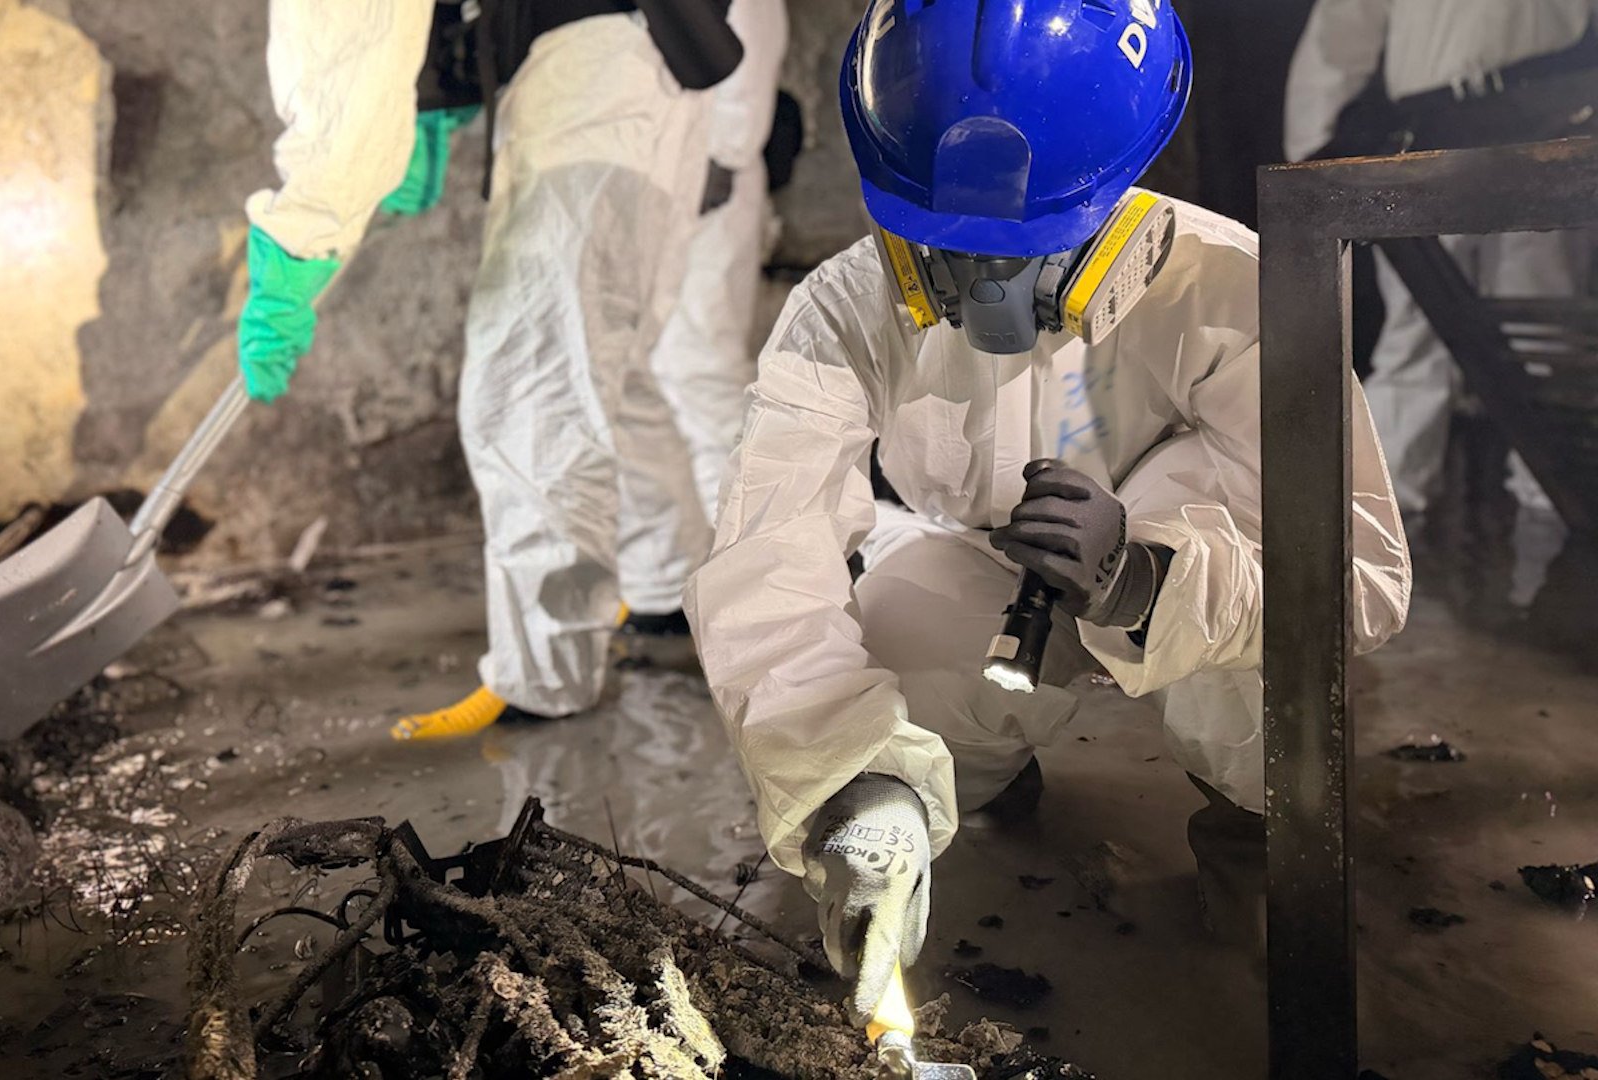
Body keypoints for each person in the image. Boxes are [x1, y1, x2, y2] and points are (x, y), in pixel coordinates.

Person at [685, 0, 1414, 1022]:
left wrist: (1144, 580)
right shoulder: (844, 310)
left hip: (1185, 577)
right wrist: (851, 786)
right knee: (888, 642)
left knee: (1269, 647)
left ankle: (1254, 826)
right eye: (945, 239)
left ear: (1123, 188)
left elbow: (1365, 584)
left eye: (1030, 245)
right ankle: (968, 774)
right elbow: (771, 552)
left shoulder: (1238, 286)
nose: (987, 288)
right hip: (982, 569)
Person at [234, 1, 741, 741]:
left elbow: (345, 34)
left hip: (590, 83)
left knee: (531, 393)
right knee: (607, 369)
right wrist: (439, 90)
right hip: (646, 67)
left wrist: (308, 225)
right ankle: (664, 594)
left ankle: (543, 681)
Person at [1285, 0, 1597, 521]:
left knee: (1543, 325)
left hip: (1554, 122)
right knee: (1416, 331)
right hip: (1434, 134)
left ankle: (1560, 512)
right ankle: (1376, 516)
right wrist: (1315, 164)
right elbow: (1340, 31)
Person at [648, 0, 789, 520]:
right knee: (658, 373)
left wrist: (726, 150)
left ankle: (736, 542)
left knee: (699, 366)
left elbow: (752, 29)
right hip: (666, 169)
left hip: (707, 175)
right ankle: (692, 554)